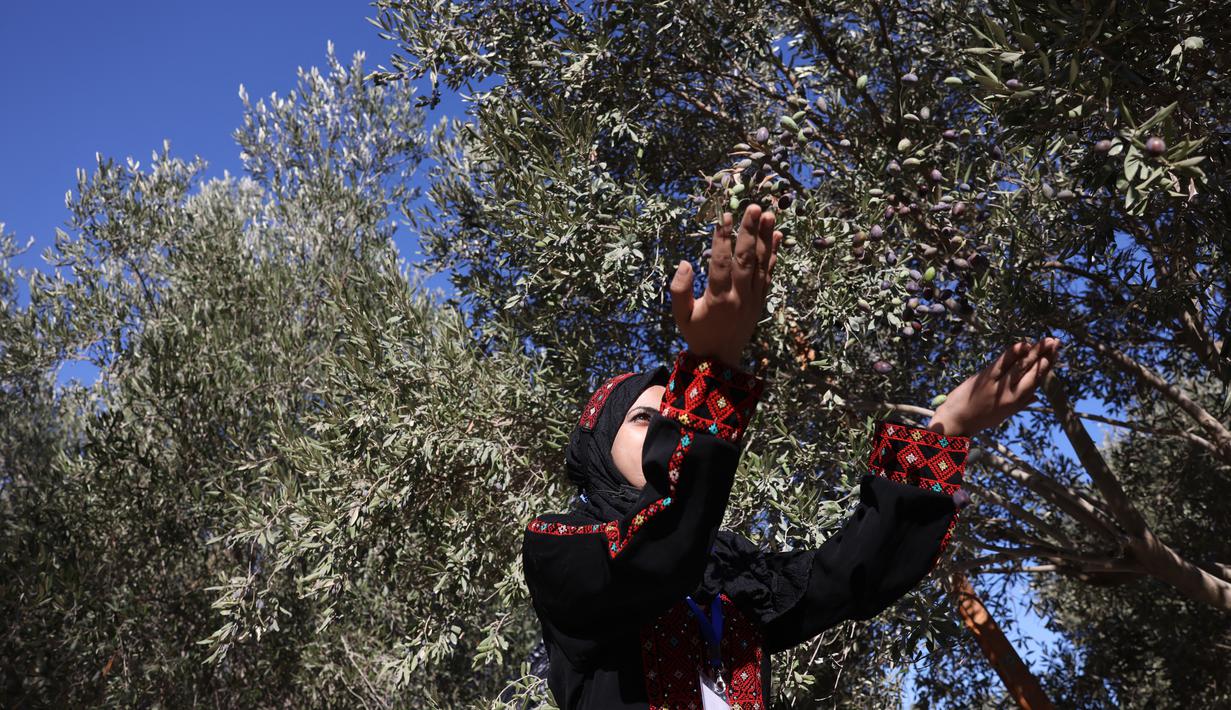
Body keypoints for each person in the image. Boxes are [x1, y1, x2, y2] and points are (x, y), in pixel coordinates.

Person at [521, 205, 1060, 709]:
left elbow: (848, 575)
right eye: (647, 419)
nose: (670, 425)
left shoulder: (728, 573)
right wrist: (714, 367)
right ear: (597, 445)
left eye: (675, 413)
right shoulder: (562, 549)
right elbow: (657, 553)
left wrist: (948, 428)